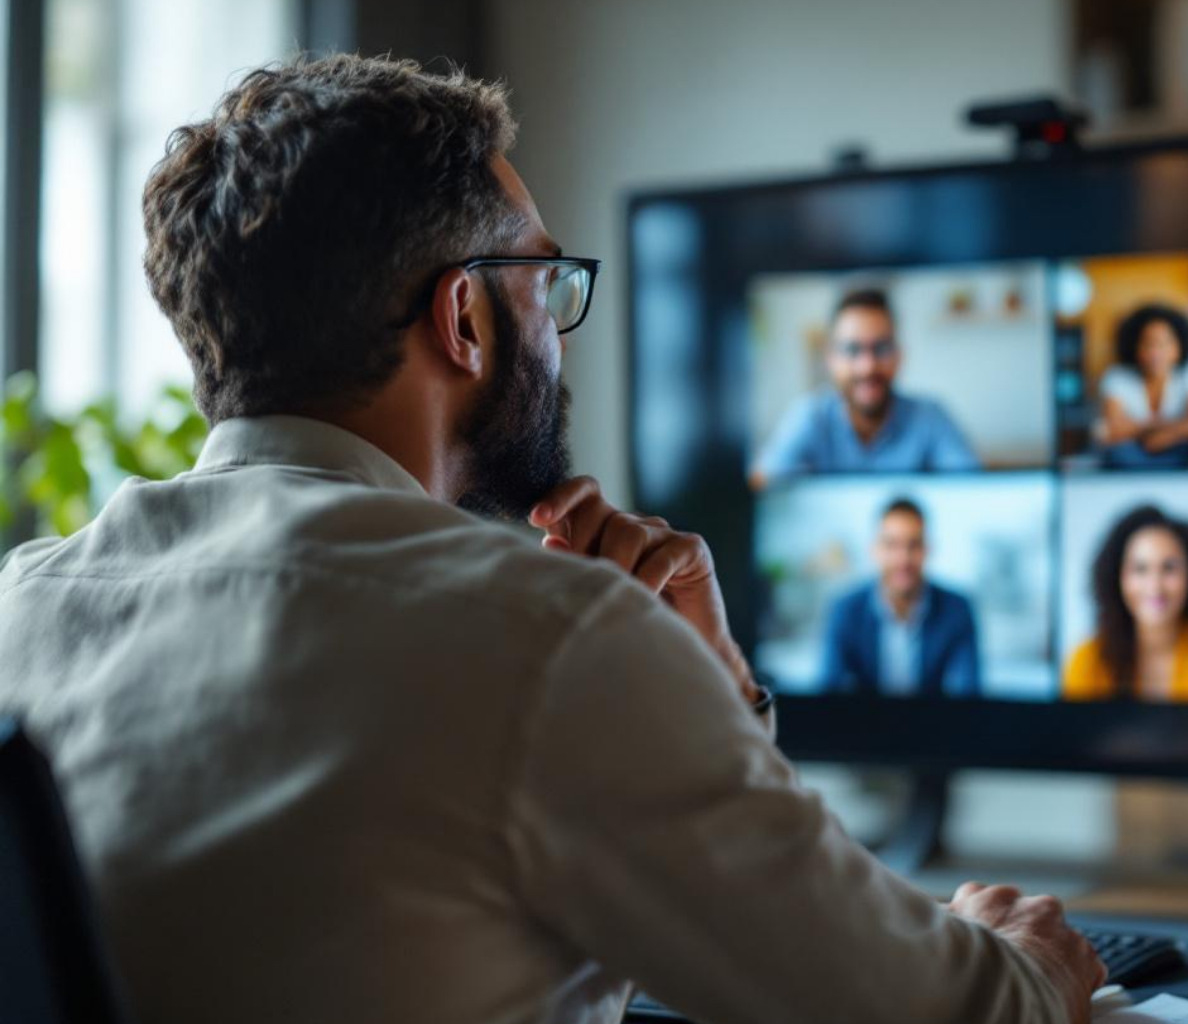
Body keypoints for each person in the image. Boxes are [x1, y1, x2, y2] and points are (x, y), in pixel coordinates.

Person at [0, 56, 1102, 1024]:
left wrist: (700, 697)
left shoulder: (22, 607)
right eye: (547, 280)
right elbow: (934, 1010)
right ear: (465, 318)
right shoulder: (542, 639)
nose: (561, 330)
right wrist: (1031, 961)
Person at [751, 289, 981, 484]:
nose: (867, 367)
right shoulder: (809, 416)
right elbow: (761, 485)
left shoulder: (931, 417)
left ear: (899, 356)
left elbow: (973, 491)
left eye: (881, 348)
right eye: (852, 350)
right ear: (830, 359)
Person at [1063, 505, 1188, 703]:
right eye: (1140, 569)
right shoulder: (1086, 659)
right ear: (1117, 577)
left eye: (1169, 568)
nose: (1155, 586)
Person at [820, 498, 982, 697]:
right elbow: (828, 692)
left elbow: (969, 694)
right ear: (875, 550)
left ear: (927, 550)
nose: (903, 558)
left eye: (913, 545)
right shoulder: (845, 610)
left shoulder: (957, 610)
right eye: (892, 545)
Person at [1096, 304, 1188, 469]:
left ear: (1178, 348)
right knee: (1118, 453)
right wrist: (1164, 428)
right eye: (1148, 344)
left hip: (1179, 451)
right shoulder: (1118, 377)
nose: (1155, 353)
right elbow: (1112, 430)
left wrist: (1164, 437)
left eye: (1164, 344)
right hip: (1134, 457)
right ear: (1136, 348)